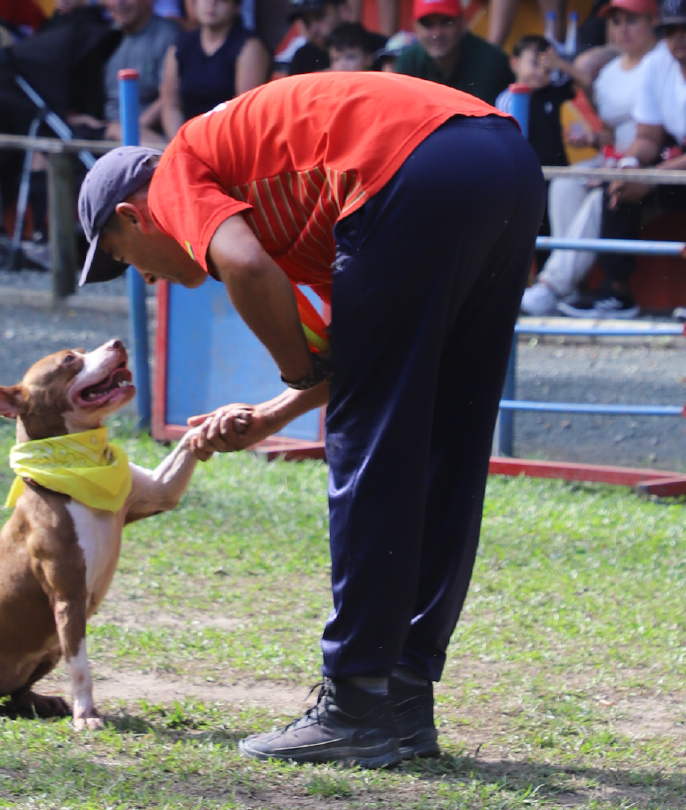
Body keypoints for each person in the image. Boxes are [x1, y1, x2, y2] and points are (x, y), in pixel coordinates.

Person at [74, 72, 545, 767]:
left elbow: (245, 267)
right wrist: (273, 413)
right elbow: (359, 362)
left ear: (134, 216)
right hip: (501, 159)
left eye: (122, 258)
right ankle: (405, 700)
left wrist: (293, 375)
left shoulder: (178, 168)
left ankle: (355, 705)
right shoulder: (303, 206)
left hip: (413, 168)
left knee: (366, 447)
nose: (146, 278)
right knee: (449, 431)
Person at [560, 0, 686, 318]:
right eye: (669, 30)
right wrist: (631, 167)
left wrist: (652, 177)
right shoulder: (656, 63)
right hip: (683, 165)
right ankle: (616, 292)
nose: (677, 38)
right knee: (622, 182)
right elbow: (648, 138)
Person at [521, 0, 662, 315]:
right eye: (616, 21)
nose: (622, 29)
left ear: (653, 21)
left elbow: (657, 134)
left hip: (648, 165)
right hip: (610, 158)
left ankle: (550, 286)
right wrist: (594, 138)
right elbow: (611, 133)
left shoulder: (663, 61)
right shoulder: (611, 71)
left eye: (632, 20)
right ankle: (569, 288)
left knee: (601, 194)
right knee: (564, 184)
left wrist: (622, 163)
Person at [158, 0, 268, 140]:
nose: (212, 3)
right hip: (185, 139)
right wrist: (180, 142)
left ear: (236, 6)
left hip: (228, 140)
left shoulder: (249, 47)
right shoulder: (181, 45)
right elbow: (171, 105)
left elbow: (245, 111)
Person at [496, 35, 591, 168]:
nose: (541, 72)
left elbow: (586, 81)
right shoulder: (508, 99)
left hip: (558, 170)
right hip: (525, 170)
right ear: (515, 64)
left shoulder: (553, 91)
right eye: (535, 63)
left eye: (547, 68)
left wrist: (560, 64)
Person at [395, 0, 514, 104]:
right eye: (428, 24)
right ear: (415, 27)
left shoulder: (491, 62)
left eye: (446, 22)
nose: (437, 34)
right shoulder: (408, 60)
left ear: (462, 22)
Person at [101, 0, 180, 144]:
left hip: (149, 137)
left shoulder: (167, 35)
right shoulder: (103, 37)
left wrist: (131, 127)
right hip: (104, 133)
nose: (119, 3)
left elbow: (169, 98)